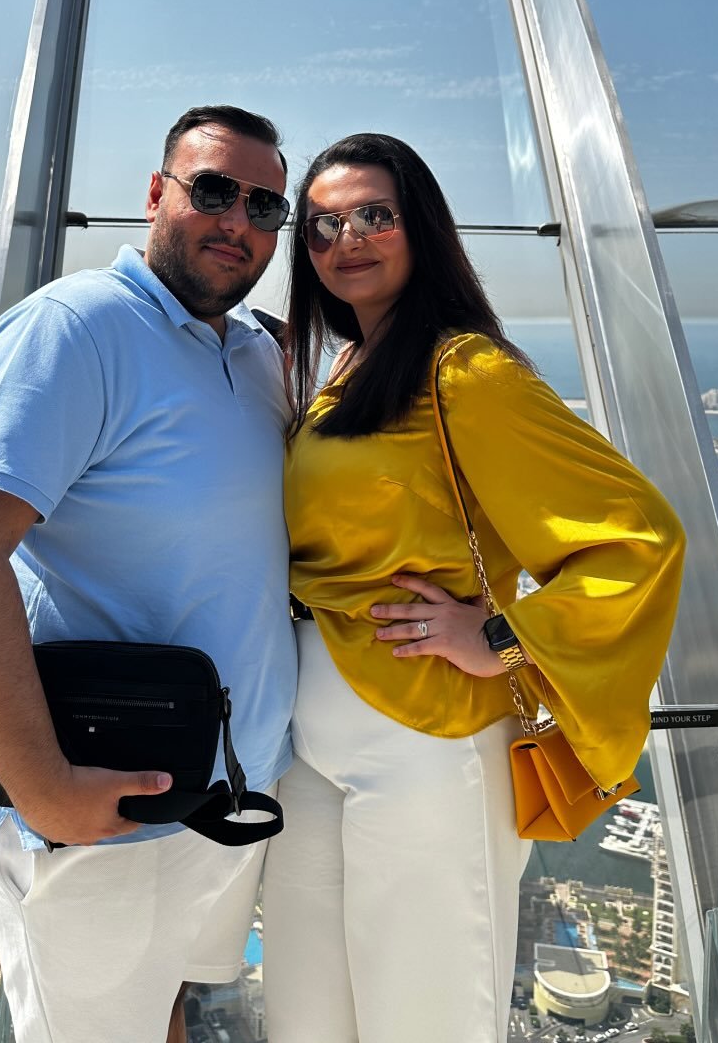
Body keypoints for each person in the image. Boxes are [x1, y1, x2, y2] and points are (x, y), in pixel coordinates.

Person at [261, 133, 686, 1043]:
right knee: (306, 1017)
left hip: (429, 741)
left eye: (374, 215)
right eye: (323, 224)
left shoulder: (467, 372)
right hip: (311, 742)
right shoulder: (346, 368)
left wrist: (502, 638)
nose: (347, 239)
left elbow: (638, 540)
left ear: (423, 226)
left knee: (428, 1018)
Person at [0, 105, 298, 1043]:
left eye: (264, 207)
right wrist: (42, 786)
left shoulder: (255, 351)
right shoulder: (74, 328)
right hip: (98, 798)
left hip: (217, 786)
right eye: (214, 190)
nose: (237, 222)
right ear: (156, 194)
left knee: (164, 1009)